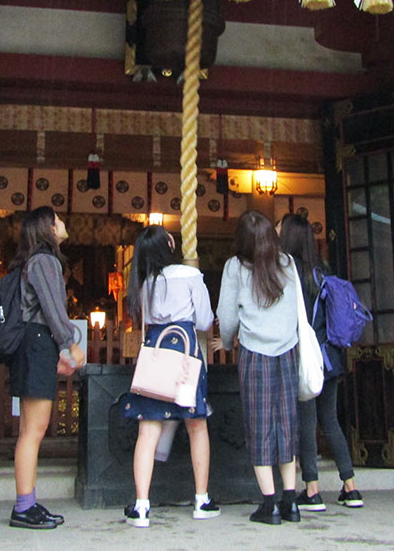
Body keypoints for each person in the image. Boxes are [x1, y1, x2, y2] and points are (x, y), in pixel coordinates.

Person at [122, 225, 220, 528]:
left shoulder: (143, 284)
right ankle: (201, 499)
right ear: (169, 243)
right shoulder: (189, 275)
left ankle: (141, 505)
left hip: (155, 353)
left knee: (147, 431)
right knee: (196, 425)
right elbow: (203, 320)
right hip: (186, 353)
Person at [213, 210, 302, 525]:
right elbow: (296, 310)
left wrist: (225, 343)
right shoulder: (287, 264)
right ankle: (290, 500)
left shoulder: (235, 267)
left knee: (259, 426)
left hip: (255, 353)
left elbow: (227, 316)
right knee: (287, 424)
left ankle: (269, 504)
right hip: (288, 351)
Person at [8, 207, 87, 530]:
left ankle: (27, 502)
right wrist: (70, 344)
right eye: (59, 220)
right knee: (33, 432)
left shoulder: (35, 261)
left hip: (34, 343)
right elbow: (54, 310)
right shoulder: (45, 261)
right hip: (37, 341)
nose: (64, 223)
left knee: (29, 431)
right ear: (49, 228)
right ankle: (23, 507)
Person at [278, 213, 363, 511]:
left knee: (306, 421)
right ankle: (350, 487)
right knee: (330, 421)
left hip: (306, 357)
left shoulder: (290, 273)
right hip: (331, 357)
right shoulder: (322, 270)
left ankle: (312, 490)